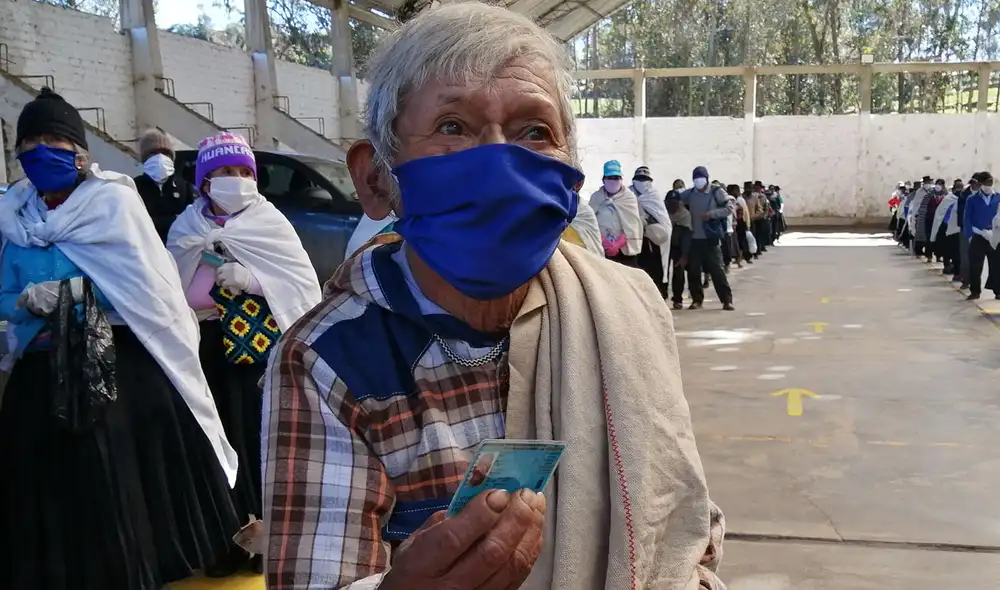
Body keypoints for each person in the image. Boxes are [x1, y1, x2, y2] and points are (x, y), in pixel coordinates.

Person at [259, 5, 725, 590]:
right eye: (453, 126)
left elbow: (682, 516)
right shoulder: (328, 359)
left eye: (535, 131)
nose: (501, 162)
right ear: (376, 179)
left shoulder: (626, 308)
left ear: (569, 172)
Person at [0, 88, 239, 589]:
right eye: (31, 141)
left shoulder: (112, 205)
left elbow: (143, 289)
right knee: (41, 490)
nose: (41, 151)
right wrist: (24, 300)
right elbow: (3, 293)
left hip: (107, 367)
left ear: (80, 154)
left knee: (108, 484)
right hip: (39, 369)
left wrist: (76, 293)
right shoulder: (13, 218)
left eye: (54, 140)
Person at [166, 132, 322, 575]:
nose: (233, 181)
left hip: (259, 355)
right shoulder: (185, 229)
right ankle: (226, 540)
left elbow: (300, 289)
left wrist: (252, 280)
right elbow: (163, 289)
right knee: (216, 447)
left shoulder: (270, 224)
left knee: (260, 444)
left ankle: (266, 541)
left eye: (241, 173)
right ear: (204, 182)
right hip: (207, 353)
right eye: (221, 173)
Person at [681, 166, 735, 311]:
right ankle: (697, 300)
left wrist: (712, 214)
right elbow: (677, 200)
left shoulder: (716, 191)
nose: (698, 181)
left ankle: (726, 300)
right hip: (694, 239)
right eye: (696, 178)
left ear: (706, 178)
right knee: (694, 272)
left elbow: (729, 208)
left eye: (701, 177)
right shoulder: (690, 194)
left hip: (710, 238)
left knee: (717, 270)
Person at [134, 128, 194, 242]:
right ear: (144, 158)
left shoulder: (184, 187)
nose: (160, 157)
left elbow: (192, 222)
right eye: (153, 153)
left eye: (165, 153)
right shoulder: (134, 187)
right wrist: (173, 219)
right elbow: (134, 223)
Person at [591, 159, 643, 266]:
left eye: (616, 178)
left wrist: (618, 244)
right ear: (603, 180)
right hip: (602, 251)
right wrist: (604, 241)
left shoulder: (629, 198)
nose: (613, 181)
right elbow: (590, 222)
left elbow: (633, 226)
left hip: (625, 253)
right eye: (610, 178)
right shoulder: (596, 197)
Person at [630, 166, 672, 298]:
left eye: (645, 179)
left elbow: (663, 219)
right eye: (639, 179)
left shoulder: (654, 195)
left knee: (655, 269)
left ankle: (659, 295)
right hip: (634, 238)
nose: (642, 182)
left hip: (653, 240)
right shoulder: (627, 194)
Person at [962, 171, 1000, 300]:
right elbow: (967, 218)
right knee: (975, 265)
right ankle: (975, 291)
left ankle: (998, 290)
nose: (988, 185)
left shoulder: (998, 198)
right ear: (981, 184)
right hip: (978, 235)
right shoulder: (972, 199)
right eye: (986, 183)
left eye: (990, 182)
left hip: (995, 236)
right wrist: (975, 233)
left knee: (996, 264)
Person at [666, 189, 692, 309]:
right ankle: (662, 296)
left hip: (679, 246)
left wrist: (684, 255)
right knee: (662, 272)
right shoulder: (662, 212)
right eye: (669, 202)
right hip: (664, 245)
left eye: (675, 202)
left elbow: (687, 236)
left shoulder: (685, 215)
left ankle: (678, 298)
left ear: (680, 203)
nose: (672, 205)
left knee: (679, 273)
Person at [931, 180, 962, 275]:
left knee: (956, 251)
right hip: (946, 226)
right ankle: (947, 266)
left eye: (960, 189)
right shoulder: (948, 198)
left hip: (957, 228)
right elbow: (939, 214)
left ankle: (955, 269)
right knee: (946, 249)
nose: (959, 191)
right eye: (957, 188)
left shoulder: (963, 199)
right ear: (954, 189)